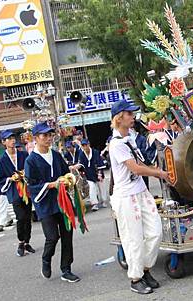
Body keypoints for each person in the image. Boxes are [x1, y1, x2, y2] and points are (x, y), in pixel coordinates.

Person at [109, 99, 169, 294]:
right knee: (133, 239)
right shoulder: (116, 144)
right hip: (126, 196)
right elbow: (134, 168)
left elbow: (142, 160)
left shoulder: (131, 138)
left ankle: (145, 269)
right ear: (119, 118)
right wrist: (158, 173)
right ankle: (136, 278)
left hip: (141, 192)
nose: (133, 116)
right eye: (129, 114)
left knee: (155, 232)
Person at [25, 122, 80, 283]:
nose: (48, 138)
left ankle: (66, 268)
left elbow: (64, 173)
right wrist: (51, 185)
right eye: (44, 135)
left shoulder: (55, 154)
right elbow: (31, 185)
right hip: (44, 203)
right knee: (52, 236)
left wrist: (69, 179)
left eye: (50, 135)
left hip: (62, 200)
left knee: (67, 234)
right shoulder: (31, 160)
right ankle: (46, 259)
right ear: (36, 138)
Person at [0, 130, 35, 257]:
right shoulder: (2, 161)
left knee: (28, 216)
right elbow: (0, 179)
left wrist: (25, 174)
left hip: (26, 190)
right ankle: (21, 242)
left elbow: (31, 169)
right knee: (21, 217)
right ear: (3, 142)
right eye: (9, 139)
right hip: (14, 192)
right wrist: (10, 178)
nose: (12, 140)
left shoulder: (24, 155)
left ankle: (27, 242)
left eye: (13, 138)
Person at [77, 139, 107, 211]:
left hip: (97, 172)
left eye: (86, 145)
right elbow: (81, 164)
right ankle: (94, 203)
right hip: (89, 174)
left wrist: (100, 174)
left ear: (89, 144)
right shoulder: (82, 154)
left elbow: (100, 164)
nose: (85, 147)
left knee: (101, 187)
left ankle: (104, 200)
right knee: (92, 188)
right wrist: (76, 167)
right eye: (83, 145)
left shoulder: (95, 152)